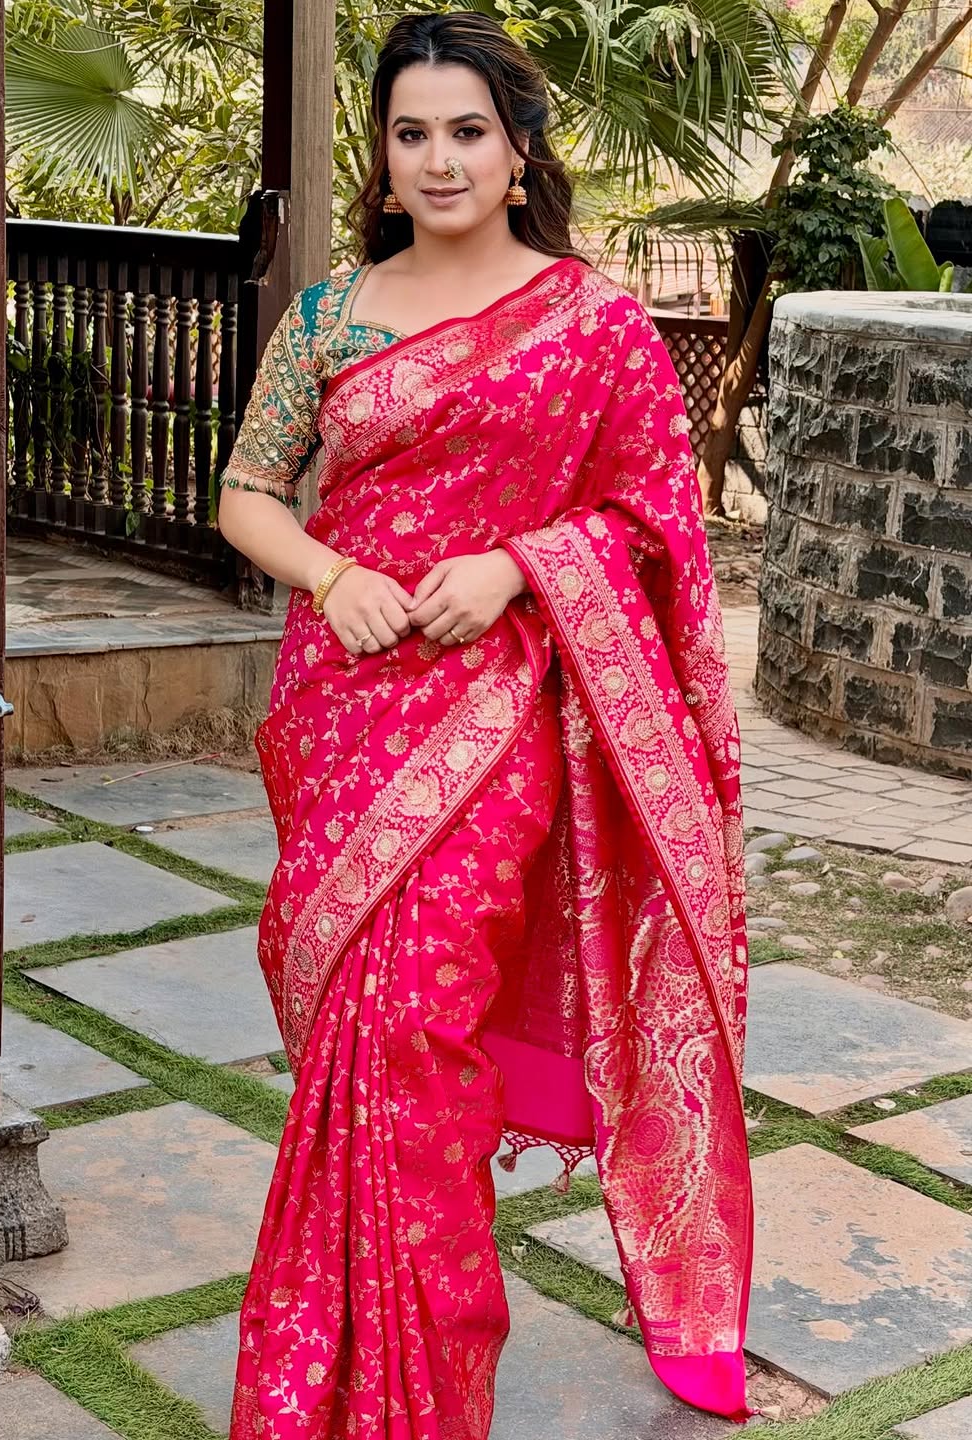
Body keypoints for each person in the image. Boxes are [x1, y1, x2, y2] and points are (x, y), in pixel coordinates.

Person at [217, 12, 754, 1439]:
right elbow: (246, 492)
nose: (440, 157)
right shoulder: (330, 315)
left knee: (414, 1041)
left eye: (469, 130)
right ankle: (320, 1384)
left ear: (518, 154)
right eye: (412, 133)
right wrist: (334, 577)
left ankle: (420, 1400)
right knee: (351, 1044)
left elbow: (656, 522)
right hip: (343, 715)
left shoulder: (595, 323)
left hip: (499, 708)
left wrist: (520, 562)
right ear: (383, 161)